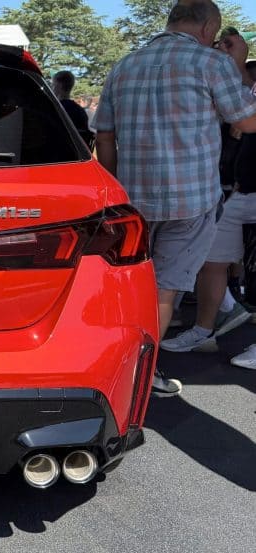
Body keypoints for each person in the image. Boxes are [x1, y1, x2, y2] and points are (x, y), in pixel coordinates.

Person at [93, 0, 256, 395]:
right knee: (164, 290)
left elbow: (104, 137)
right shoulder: (210, 62)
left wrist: (116, 192)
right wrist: (238, 61)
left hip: (133, 201)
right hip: (191, 200)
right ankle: (140, 378)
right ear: (206, 29)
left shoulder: (125, 65)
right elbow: (247, 121)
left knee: (131, 288)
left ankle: (112, 369)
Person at [161, 28, 256, 356]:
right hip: (241, 191)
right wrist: (236, 65)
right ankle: (203, 329)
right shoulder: (241, 86)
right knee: (210, 260)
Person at [52, 71, 90, 136]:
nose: (52, 88)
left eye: (53, 84)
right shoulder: (80, 111)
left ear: (59, 85)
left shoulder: (54, 109)